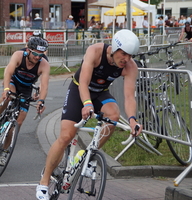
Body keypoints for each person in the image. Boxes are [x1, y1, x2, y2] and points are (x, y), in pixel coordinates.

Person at [36, 29, 143, 200]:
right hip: (79, 91)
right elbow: (84, 83)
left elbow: (129, 97)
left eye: (131, 56)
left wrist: (132, 120)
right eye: (124, 54)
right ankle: (44, 180)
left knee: (114, 114)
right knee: (66, 136)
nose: (127, 59)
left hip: (100, 93)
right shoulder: (95, 51)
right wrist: (87, 104)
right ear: (115, 48)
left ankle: (89, 154)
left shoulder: (130, 67)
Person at [0, 37, 50, 164]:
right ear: (28, 50)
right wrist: (5, 89)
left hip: (26, 88)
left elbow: (44, 85)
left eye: (41, 54)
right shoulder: (18, 55)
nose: (38, 57)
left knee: (19, 121)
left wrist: (41, 101)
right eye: (36, 54)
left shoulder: (44, 64)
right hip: (13, 82)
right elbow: (8, 73)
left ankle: (4, 151)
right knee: (10, 95)